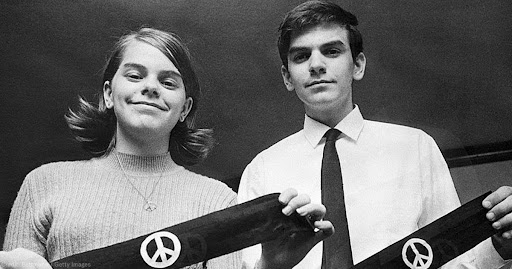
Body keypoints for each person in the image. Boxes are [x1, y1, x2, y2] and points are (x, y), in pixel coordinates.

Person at [0, 27, 333, 269]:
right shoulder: (44, 184)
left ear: (184, 108)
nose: (150, 88)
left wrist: (269, 267)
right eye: (134, 76)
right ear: (107, 94)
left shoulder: (216, 199)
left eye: (168, 82)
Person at [237, 1, 512, 268]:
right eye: (301, 56)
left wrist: (499, 247)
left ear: (357, 65)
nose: (316, 65)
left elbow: (453, 261)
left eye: (332, 51)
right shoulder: (262, 171)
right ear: (287, 77)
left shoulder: (414, 148)